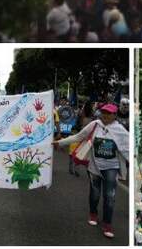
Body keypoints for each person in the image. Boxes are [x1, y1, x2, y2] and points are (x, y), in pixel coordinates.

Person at [55, 102, 130, 239]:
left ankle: (107, 224)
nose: (105, 115)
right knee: (95, 193)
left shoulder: (121, 131)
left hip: (111, 168)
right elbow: (78, 137)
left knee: (110, 196)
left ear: (114, 115)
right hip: (94, 166)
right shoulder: (95, 125)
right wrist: (60, 143)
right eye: (103, 112)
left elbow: (128, 150)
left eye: (109, 113)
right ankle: (93, 213)